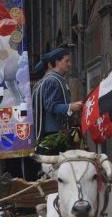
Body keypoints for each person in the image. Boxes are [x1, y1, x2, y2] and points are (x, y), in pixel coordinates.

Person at [28, 48, 83, 178]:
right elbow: (51, 106)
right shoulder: (52, 80)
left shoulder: (50, 80)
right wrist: (71, 107)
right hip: (53, 136)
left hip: (53, 135)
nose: (69, 64)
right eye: (66, 61)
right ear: (56, 62)